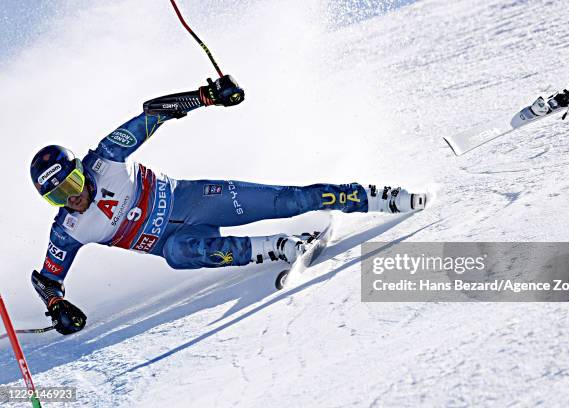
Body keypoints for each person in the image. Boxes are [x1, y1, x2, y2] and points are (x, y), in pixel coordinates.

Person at [29, 75, 428, 335]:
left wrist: (207, 96)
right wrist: (57, 305)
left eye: (73, 183)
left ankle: (376, 197)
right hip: (180, 239)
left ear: (81, 169)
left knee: (288, 199)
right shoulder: (68, 230)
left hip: (199, 201)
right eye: (59, 196)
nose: (74, 197)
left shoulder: (108, 156)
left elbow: (155, 114)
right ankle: (275, 247)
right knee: (177, 253)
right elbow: (46, 279)